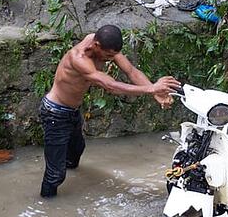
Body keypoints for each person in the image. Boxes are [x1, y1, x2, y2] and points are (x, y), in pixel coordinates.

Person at [39, 25, 181, 198]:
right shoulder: (78, 58)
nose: (110, 59)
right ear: (96, 45)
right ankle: (47, 203)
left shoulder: (105, 45)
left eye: (113, 56)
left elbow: (131, 71)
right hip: (55, 113)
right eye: (108, 56)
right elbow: (110, 85)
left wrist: (155, 91)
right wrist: (151, 89)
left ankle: (70, 177)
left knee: (76, 152)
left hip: (72, 111)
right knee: (56, 174)